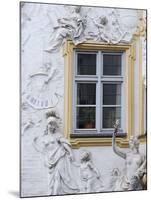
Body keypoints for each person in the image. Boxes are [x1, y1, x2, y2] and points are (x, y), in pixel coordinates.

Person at [33, 110, 79, 195]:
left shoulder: (57, 135)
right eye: (50, 124)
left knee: (58, 177)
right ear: (47, 125)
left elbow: (64, 143)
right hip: (50, 160)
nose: (51, 126)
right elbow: (41, 150)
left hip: (59, 156)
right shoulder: (44, 138)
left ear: (55, 126)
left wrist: (70, 153)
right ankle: (50, 193)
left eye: (53, 124)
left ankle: (55, 194)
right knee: (50, 180)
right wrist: (34, 143)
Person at [112, 120, 147, 191]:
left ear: (135, 143)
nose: (129, 143)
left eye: (131, 141)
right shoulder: (127, 154)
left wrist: (139, 175)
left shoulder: (142, 156)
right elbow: (115, 149)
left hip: (135, 182)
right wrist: (114, 134)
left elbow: (145, 170)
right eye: (130, 141)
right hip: (125, 181)